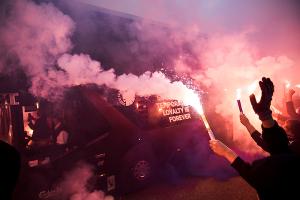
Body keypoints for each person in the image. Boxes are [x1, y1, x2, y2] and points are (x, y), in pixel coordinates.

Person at [209, 77, 300, 200]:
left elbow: (248, 168)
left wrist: (225, 151)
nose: (282, 126)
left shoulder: (269, 171)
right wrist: (260, 118)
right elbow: (272, 142)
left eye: (285, 128)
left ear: (291, 135)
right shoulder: (288, 151)